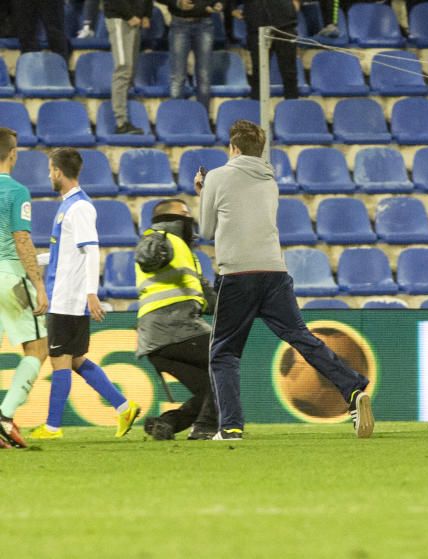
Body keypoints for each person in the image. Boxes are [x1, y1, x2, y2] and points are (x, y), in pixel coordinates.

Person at [198, 120, 373, 440]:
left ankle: (231, 426)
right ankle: (352, 387)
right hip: (274, 272)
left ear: (233, 148)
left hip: (237, 273)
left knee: (223, 352)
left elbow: (207, 230)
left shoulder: (218, 177)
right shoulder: (269, 179)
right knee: (301, 337)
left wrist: (204, 191)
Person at [29, 148, 142, 440]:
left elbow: (91, 251)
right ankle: (123, 406)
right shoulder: (70, 205)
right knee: (76, 359)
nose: (49, 175)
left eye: (50, 169)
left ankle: (52, 427)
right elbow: (63, 254)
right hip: (65, 295)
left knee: (60, 360)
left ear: (57, 171)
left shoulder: (79, 208)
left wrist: (91, 293)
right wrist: (30, 260)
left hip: (67, 297)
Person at [135, 199, 218, 441]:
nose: (189, 220)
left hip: (159, 340)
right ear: (170, 220)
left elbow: (206, 295)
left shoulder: (185, 253)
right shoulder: (159, 239)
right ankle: (206, 427)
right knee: (224, 359)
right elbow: (146, 254)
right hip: (174, 329)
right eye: (184, 215)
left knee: (209, 390)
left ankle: (166, 423)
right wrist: (156, 245)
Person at [0, 129, 49, 449]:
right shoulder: (16, 191)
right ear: (12, 154)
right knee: (38, 347)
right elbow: (21, 239)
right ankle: (4, 417)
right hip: (9, 275)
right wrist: (39, 284)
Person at [159, 1, 223, 110]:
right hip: (179, 25)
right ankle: (176, 120)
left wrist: (220, 4)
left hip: (205, 24)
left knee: (204, 76)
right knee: (178, 76)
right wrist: (177, 3)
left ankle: (202, 119)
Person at [106, 0, 152, 135]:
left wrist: (146, 14)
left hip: (135, 19)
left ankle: (127, 118)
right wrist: (128, 15)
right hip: (120, 19)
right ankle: (121, 123)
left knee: (130, 69)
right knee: (123, 68)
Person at [244, 0, 300, 101]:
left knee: (289, 73)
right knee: (258, 73)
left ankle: (293, 109)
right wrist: (232, 8)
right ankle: (256, 110)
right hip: (256, 25)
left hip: (286, 23)